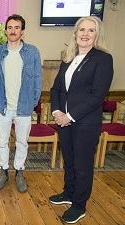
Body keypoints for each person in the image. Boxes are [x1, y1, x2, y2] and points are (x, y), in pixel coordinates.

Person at [49, 16, 113, 223]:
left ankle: (79, 205)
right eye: (81, 30)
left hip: (85, 123)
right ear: (75, 33)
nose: (85, 34)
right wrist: (57, 113)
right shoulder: (68, 58)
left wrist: (70, 116)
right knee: (69, 161)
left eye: (91, 30)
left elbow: (97, 96)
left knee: (82, 165)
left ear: (97, 35)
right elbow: (56, 89)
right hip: (63, 121)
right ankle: (68, 193)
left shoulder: (103, 59)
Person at [0, 14, 42, 193]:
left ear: (22, 31)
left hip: (24, 107)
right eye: (10, 27)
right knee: (2, 142)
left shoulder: (32, 52)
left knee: (22, 142)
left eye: (17, 28)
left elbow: (38, 80)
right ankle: (3, 172)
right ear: (5, 31)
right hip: (2, 106)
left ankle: (19, 173)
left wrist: (32, 102)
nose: (13, 31)